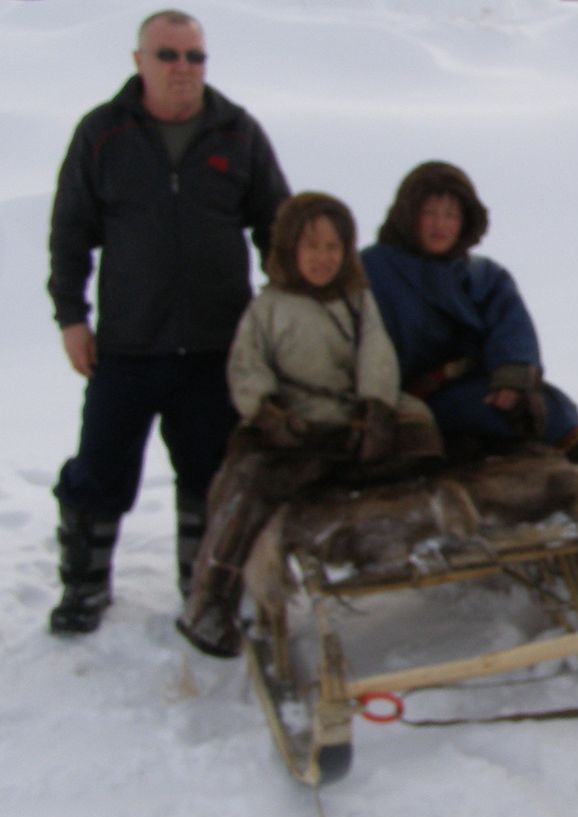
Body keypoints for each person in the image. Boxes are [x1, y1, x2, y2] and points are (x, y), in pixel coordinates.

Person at [46, 9, 290, 636]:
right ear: (139, 62)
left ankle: (202, 584)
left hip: (216, 346)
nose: (183, 68)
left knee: (210, 473)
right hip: (128, 344)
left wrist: (284, 310)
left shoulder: (238, 134)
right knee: (100, 470)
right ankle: (84, 588)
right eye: (168, 55)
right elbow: (71, 233)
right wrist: (73, 317)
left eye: (195, 56)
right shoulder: (103, 134)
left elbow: (278, 227)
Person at [175, 192, 443, 658]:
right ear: (289, 250)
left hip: (349, 417)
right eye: (311, 246)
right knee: (249, 483)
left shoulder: (358, 301)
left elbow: (376, 355)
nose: (323, 259)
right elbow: (247, 367)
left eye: (333, 248)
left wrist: (376, 408)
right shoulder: (269, 307)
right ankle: (214, 598)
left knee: (422, 429)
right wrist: (267, 411)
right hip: (295, 425)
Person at [360, 161, 578, 483]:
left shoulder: (483, 275)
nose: (441, 224)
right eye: (430, 213)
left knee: (547, 405)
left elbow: (511, 327)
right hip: (410, 396)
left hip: (477, 386)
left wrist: (512, 376)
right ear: (408, 214)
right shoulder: (374, 268)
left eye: (451, 215)